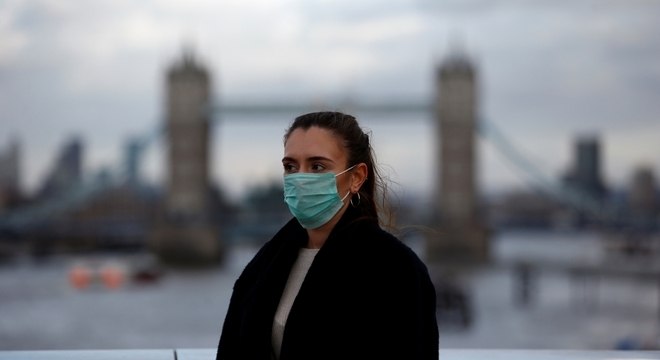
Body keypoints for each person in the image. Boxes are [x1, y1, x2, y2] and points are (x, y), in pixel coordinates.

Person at [215, 111, 439, 360]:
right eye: (291, 166)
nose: (300, 178)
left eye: (317, 166)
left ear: (356, 177)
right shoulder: (262, 267)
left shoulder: (396, 269)